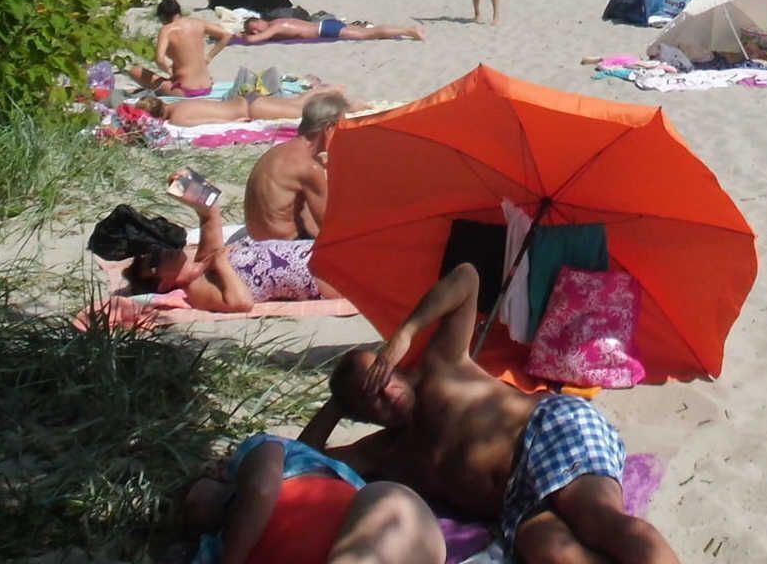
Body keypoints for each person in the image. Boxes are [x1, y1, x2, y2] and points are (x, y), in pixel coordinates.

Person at [302, 263, 678, 563]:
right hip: (518, 499)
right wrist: (337, 405)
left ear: (396, 365)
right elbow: (302, 460)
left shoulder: (441, 365)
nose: (388, 392)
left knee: (598, 519)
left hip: (547, 432)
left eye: (384, 375)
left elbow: (467, 277)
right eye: (373, 398)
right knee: (551, 553)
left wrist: (405, 333)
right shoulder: (385, 453)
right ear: (364, 416)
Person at [180, 435, 443, 564]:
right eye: (183, 517)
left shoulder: (255, 452)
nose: (188, 510)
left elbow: (262, 488)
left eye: (188, 496)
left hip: (391, 530)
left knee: (384, 496)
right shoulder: (210, 549)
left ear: (216, 471)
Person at [123, 194, 337, 311]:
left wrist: (183, 182)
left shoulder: (203, 260)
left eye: (156, 251)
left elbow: (210, 213)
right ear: (163, 285)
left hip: (320, 250)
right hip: (321, 275)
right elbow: (242, 303)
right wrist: (222, 264)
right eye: (154, 262)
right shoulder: (197, 290)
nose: (161, 254)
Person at [245, 91, 352, 240]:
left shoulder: (279, 151)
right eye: (342, 128)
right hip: (281, 244)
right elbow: (330, 226)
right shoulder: (309, 167)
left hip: (256, 237)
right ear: (329, 129)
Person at [123, 86, 347, 127]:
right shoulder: (178, 104)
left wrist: (235, 122)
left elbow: (209, 121)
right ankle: (328, 89)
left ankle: (350, 106)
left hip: (250, 110)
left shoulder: (178, 118)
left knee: (302, 110)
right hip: (245, 100)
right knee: (296, 102)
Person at [153, 0, 237, 96]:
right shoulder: (198, 23)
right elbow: (227, 35)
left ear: (163, 17)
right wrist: (209, 56)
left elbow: (160, 60)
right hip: (207, 87)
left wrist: (170, 72)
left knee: (137, 71)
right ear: (179, 11)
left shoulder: (167, 30)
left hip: (185, 89)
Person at [237, 15, 425, 44]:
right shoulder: (278, 21)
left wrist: (243, 36)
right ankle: (405, 31)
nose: (256, 31)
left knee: (367, 34)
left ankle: (409, 31)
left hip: (325, 30)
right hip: (326, 25)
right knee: (369, 31)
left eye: (255, 28)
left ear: (260, 21)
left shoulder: (276, 26)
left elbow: (254, 40)